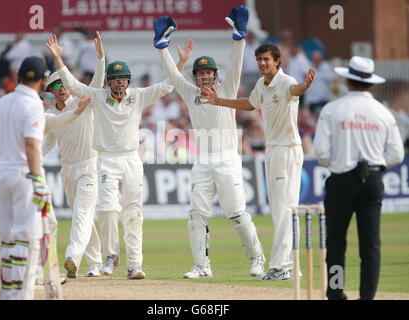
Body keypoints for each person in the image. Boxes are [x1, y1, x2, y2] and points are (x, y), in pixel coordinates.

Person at [45, 32, 190, 280]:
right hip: (106, 161)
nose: (120, 83)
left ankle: (135, 265)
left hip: (132, 160)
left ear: (128, 81)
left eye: (123, 79)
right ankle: (111, 255)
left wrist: (182, 63)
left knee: (133, 213)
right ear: (109, 82)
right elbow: (72, 85)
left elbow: (168, 85)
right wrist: (58, 59)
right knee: (107, 209)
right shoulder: (98, 98)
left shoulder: (138, 96)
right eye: (115, 79)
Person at [155, 6, 266, 279]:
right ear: (196, 77)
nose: (205, 77)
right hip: (202, 161)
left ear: (216, 75)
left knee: (237, 215)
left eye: (209, 73)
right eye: (201, 74)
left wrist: (239, 40)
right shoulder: (190, 93)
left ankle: (257, 259)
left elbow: (236, 66)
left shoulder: (226, 90)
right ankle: (202, 266)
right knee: (197, 216)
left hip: (227, 159)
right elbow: (172, 75)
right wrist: (161, 49)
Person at [202, 43, 315, 281]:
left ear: (277, 61)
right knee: (281, 209)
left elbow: (295, 90)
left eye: (266, 59)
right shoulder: (261, 85)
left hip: (286, 150)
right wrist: (219, 101)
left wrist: (305, 85)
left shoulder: (285, 82)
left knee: (284, 209)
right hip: (273, 150)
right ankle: (292, 266)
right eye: (259, 60)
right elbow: (250, 104)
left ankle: (280, 266)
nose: (262, 63)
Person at [312, 56, 404, 300]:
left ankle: (336, 292)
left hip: (341, 181)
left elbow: (320, 151)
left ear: (348, 81)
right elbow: (396, 153)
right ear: (371, 84)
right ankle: (366, 297)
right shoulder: (383, 113)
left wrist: (340, 165)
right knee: (370, 246)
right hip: (372, 180)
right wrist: (375, 166)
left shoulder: (332, 109)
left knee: (335, 242)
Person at [0, 56, 51, 300]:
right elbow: (31, 145)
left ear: (19, 76)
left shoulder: (2, 102)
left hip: (2, 173)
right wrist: (38, 181)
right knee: (23, 237)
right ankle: (17, 296)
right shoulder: (34, 105)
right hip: (24, 174)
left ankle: (7, 293)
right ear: (42, 80)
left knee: (7, 239)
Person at [42, 31, 106, 279]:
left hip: (89, 166)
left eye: (63, 84)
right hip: (67, 170)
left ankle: (72, 257)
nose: (61, 89)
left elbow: (98, 84)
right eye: (55, 86)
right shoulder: (51, 113)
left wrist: (100, 58)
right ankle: (96, 263)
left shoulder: (83, 99)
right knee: (85, 217)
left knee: (81, 213)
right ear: (51, 90)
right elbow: (47, 144)